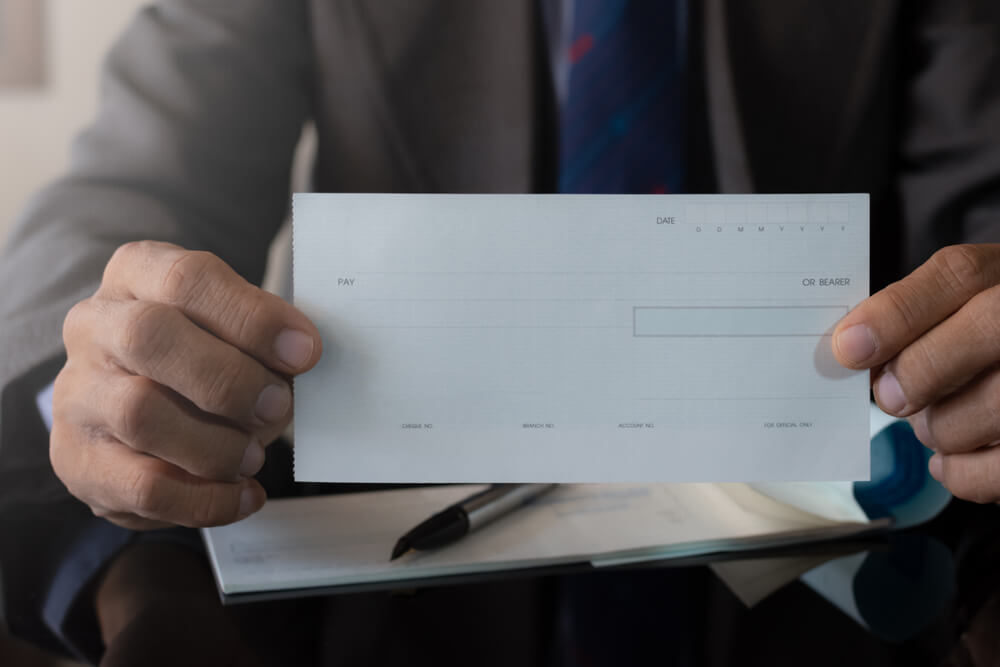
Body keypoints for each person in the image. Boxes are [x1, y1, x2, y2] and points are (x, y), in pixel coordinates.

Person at [1, 0, 999, 663]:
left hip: (839, 592)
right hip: (396, 601)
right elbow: (131, 181)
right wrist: (107, 355)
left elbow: (982, 207)